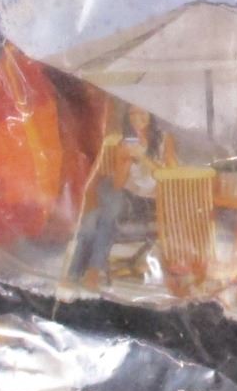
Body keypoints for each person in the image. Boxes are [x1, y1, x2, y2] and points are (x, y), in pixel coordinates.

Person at [67, 104, 177, 288]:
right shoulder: (126, 143)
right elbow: (118, 185)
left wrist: (143, 158)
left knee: (99, 216)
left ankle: (82, 272)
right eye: (132, 113)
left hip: (152, 202)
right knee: (98, 215)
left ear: (151, 113)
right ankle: (85, 273)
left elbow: (171, 175)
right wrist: (124, 160)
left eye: (141, 112)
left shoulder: (165, 140)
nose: (136, 117)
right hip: (126, 197)